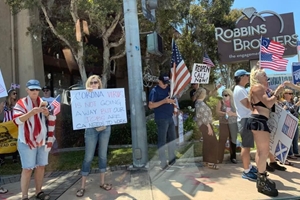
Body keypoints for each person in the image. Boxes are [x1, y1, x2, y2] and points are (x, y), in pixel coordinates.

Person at [247, 66, 284, 197]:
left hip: (258, 121)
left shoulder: (257, 89)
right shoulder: (258, 88)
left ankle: (261, 177)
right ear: (257, 78)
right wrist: (277, 92)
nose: (266, 78)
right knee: (264, 152)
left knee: (261, 152)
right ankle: (261, 181)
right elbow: (268, 104)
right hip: (259, 121)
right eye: (264, 75)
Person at [13, 79, 51, 200]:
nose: (35, 92)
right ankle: (24, 196)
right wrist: (31, 113)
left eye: (36, 89)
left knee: (41, 166)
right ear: (27, 90)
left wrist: (47, 113)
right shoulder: (21, 104)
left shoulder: (43, 102)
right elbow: (17, 121)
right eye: (32, 89)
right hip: (26, 141)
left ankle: (38, 192)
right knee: (28, 169)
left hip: (42, 140)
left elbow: (52, 117)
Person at [76, 75, 112, 198]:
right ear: (88, 84)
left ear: (99, 84)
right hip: (91, 129)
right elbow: (78, 106)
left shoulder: (105, 95)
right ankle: (82, 186)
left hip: (105, 127)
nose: (93, 84)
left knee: (103, 155)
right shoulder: (84, 95)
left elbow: (111, 109)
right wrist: (87, 95)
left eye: (96, 82)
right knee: (88, 157)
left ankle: (102, 182)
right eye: (91, 82)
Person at [233, 69, 258, 181]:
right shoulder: (239, 90)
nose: (248, 77)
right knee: (246, 146)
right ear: (241, 77)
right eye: (246, 76)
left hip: (246, 119)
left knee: (247, 145)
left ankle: (249, 167)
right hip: (245, 120)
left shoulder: (241, 89)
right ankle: (246, 171)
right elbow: (248, 105)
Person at [148, 74, 176, 170]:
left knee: (172, 139)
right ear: (159, 81)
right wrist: (164, 101)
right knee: (162, 141)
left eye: (167, 83)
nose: (165, 85)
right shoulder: (154, 91)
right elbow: (150, 105)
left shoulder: (169, 89)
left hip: (170, 117)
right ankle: (163, 163)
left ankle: (172, 160)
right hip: (161, 118)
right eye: (164, 83)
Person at [195, 87, 219, 169]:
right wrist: (209, 126)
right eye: (204, 93)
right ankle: (210, 162)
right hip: (206, 125)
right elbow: (203, 116)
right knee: (212, 143)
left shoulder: (199, 102)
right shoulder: (200, 104)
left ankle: (206, 161)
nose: (205, 94)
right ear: (202, 94)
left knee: (207, 142)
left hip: (205, 124)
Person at [216, 89, 238, 164]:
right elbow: (217, 112)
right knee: (222, 140)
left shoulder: (234, 103)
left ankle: (233, 157)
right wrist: (225, 113)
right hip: (223, 123)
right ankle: (219, 158)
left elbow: (239, 112)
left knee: (233, 140)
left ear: (230, 95)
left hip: (233, 123)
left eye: (226, 95)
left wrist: (233, 114)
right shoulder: (220, 102)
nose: (224, 97)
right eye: (223, 95)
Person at [0, 89, 19, 164]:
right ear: (10, 94)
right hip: (6, 124)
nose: (15, 95)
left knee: (14, 140)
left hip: (14, 124)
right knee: (4, 141)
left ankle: (14, 157)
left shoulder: (17, 103)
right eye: (14, 93)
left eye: (16, 93)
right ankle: (2, 158)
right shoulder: (4, 103)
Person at [281, 88, 300, 160]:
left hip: (295, 121)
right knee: (290, 139)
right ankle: (290, 153)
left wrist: (296, 105)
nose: (291, 95)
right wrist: (297, 105)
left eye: (292, 93)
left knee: (295, 138)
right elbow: (290, 111)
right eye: (289, 93)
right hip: (289, 122)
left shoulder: (292, 102)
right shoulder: (283, 102)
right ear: (284, 94)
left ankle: (296, 152)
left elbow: (296, 111)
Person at [41, 86, 58, 154]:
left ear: (50, 91)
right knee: (44, 134)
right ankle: (45, 150)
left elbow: (57, 109)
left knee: (53, 134)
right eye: (44, 90)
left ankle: (55, 149)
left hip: (52, 119)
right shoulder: (40, 100)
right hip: (43, 119)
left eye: (47, 90)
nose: (45, 92)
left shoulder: (54, 100)